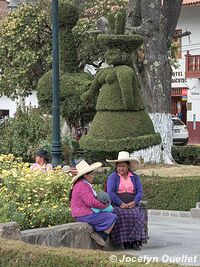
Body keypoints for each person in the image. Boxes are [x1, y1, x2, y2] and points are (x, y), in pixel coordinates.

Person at [69, 160, 116, 249]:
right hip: (84, 214)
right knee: (112, 217)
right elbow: (91, 202)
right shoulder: (82, 185)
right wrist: (104, 206)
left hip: (82, 213)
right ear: (85, 175)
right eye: (92, 174)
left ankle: (100, 237)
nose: (93, 176)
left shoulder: (82, 184)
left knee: (109, 215)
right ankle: (102, 238)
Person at [106, 151, 147, 250]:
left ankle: (135, 242)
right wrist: (121, 204)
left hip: (132, 204)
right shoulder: (113, 177)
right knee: (121, 215)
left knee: (137, 215)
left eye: (123, 166)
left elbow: (140, 192)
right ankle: (125, 242)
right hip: (118, 204)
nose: (121, 168)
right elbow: (110, 192)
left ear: (128, 166)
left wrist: (134, 202)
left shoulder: (135, 177)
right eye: (119, 166)